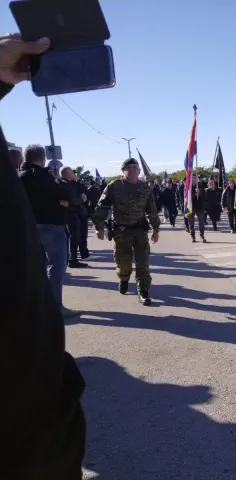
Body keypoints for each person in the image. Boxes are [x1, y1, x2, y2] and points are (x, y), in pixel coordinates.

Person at [1, 33, 86, 480]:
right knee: (56, 268)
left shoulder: (23, 179)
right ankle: (58, 302)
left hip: (34, 405)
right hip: (23, 425)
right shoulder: (40, 180)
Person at [19, 144, 81, 316]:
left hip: (28, 227)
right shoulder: (41, 175)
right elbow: (65, 193)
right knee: (56, 267)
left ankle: (37, 307)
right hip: (50, 225)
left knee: (37, 268)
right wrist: (60, 200)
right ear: (42, 158)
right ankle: (54, 308)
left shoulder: (19, 176)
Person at [93, 158, 160, 305]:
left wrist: (156, 229)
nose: (132, 169)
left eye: (135, 167)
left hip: (140, 231)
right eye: (129, 167)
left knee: (143, 262)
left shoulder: (145, 188)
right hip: (121, 231)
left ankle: (143, 291)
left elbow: (152, 210)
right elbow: (102, 206)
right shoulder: (114, 186)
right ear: (123, 171)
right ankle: (124, 279)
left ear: (139, 171)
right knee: (123, 262)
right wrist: (99, 226)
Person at [60, 166, 89, 267]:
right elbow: (74, 199)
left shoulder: (72, 183)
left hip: (74, 213)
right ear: (68, 174)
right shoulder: (65, 184)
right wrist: (79, 202)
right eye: (72, 173)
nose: (74, 174)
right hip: (71, 213)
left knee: (76, 236)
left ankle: (74, 258)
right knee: (74, 237)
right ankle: (72, 260)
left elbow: (82, 190)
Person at [186, 173, 207, 242]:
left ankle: (202, 236)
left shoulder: (200, 185)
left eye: (195, 178)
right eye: (193, 178)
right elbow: (188, 198)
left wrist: (200, 193)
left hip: (200, 207)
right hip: (191, 207)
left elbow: (204, 196)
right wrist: (195, 194)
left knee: (201, 223)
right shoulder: (188, 187)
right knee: (191, 223)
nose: (194, 179)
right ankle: (193, 236)